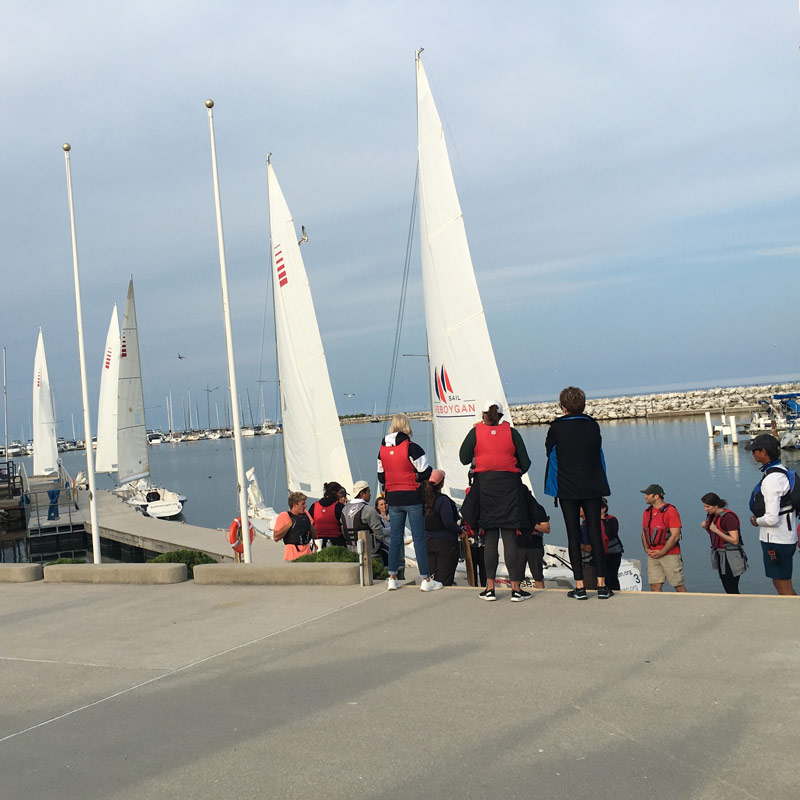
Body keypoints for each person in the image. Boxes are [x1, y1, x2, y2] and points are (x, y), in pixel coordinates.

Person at [544, 386, 613, 600]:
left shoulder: (556, 428)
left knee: (573, 535)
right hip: (592, 485)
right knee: (595, 532)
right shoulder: (592, 425)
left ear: (563, 407)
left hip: (567, 487)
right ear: (583, 405)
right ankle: (602, 585)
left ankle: (580, 586)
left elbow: (550, 452)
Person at [459, 400, 532, 602]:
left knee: (489, 539)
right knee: (510, 540)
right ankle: (516, 589)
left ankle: (490, 588)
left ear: (483, 414)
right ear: (501, 416)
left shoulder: (476, 432)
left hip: (485, 488)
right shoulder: (512, 433)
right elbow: (525, 463)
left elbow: (464, 458)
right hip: (508, 487)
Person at [377, 413, 442, 592]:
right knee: (419, 538)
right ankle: (426, 579)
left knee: (396, 538)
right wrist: (412, 475)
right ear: (407, 427)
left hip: (393, 499)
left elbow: (381, 476)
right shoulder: (412, 448)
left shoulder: (382, 450)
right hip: (412, 497)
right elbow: (425, 471)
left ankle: (392, 578)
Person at [745, 433, 798, 596]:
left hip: (776, 540)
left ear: (764, 452)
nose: (752, 454)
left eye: (755, 450)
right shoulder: (783, 471)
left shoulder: (771, 479)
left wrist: (755, 521)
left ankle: (792, 617)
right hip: (786, 536)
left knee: (783, 586)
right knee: (781, 582)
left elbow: (772, 518)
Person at [641, 483, 688, 592]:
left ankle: (686, 606)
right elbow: (644, 531)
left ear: (656, 496)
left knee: (678, 585)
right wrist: (646, 549)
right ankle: (657, 607)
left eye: (648, 494)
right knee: (654, 586)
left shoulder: (670, 511)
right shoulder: (647, 512)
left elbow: (675, 536)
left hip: (670, 554)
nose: (645, 496)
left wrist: (662, 552)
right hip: (652, 554)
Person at [700, 492, 747, 594]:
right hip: (720, 554)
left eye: (707, 507)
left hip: (731, 555)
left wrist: (716, 530)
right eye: (704, 507)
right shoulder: (712, 515)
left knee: (731, 586)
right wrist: (707, 529)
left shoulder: (729, 518)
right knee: (725, 584)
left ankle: (737, 606)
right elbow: (716, 535)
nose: (705, 509)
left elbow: (735, 540)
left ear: (716, 506)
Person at [423, 469, 462, 586]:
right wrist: (461, 532)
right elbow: (448, 522)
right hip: (446, 544)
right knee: (444, 582)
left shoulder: (423, 500)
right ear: (442, 483)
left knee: (432, 579)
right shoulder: (443, 501)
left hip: (428, 543)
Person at [341, 480, 385, 558]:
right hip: (369, 549)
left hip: (350, 549)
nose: (370, 494)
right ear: (361, 493)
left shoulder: (344, 509)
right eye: (368, 492)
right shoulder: (368, 509)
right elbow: (379, 533)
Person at [273, 492, 317, 561]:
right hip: (292, 555)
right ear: (295, 505)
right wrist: (289, 525)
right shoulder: (284, 516)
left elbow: (314, 535)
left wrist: (309, 523)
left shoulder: (306, 514)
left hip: (308, 553)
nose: (305, 506)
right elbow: (276, 537)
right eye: (303, 504)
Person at [519, 499, 550, 589]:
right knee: (516, 576)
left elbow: (547, 529)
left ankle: (541, 597)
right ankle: (516, 593)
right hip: (518, 545)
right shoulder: (515, 509)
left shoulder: (538, 509)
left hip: (535, 546)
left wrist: (532, 525)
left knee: (538, 575)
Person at [308, 481, 346, 549]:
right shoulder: (339, 507)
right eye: (340, 493)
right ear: (334, 492)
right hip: (336, 544)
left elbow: (309, 524)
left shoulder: (314, 506)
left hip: (318, 544)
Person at [601, 499, 624, 591]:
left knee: (611, 577)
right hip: (601, 553)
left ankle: (615, 593)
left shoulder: (611, 519)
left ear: (603, 508)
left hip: (613, 554)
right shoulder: (591, 521)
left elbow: (611, 533)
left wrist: (602, 521)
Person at [374, 494, 392, 568]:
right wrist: (392, 530)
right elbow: (380, 531)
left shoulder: (392, 516)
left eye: (385, 503)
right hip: (384, 546)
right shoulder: (377, 518)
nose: (384, 506)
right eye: (381, 504)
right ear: (377, 507)